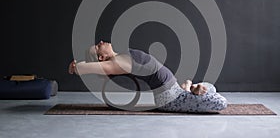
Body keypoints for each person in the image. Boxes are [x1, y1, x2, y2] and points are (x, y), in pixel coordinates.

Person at [68, 41, 227, 113]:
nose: (101, 42)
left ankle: (189, 88)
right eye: (98, 46)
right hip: (170, 99)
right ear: (101, 58)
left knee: (210, 86)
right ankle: (191, 89)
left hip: (174, 92)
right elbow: (91, 68)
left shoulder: (120, 57)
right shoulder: (116, 63)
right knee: (221, 102)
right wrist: (77, 67)